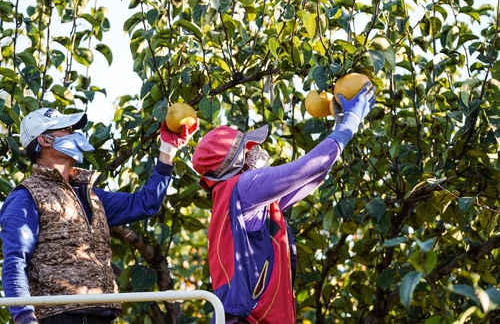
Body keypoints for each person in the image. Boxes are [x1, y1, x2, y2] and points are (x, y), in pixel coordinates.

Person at [192, 82, 376, 324]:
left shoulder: (238, 198)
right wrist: (350, 122)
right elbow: (309, 166)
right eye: (249, 150)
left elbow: (312, 175)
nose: (257, 151)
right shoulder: (245, 186)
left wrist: (340, 127)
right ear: (236, 163)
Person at [0, 107, 198, 324]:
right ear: (44, 140)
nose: (75, 135)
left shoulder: (92, 196)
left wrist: (168, 150)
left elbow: (146, 203)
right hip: (58, 317)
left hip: (100, 314)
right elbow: (15, 263)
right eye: (66, 129)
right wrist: (25, 318)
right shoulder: (26, 197)